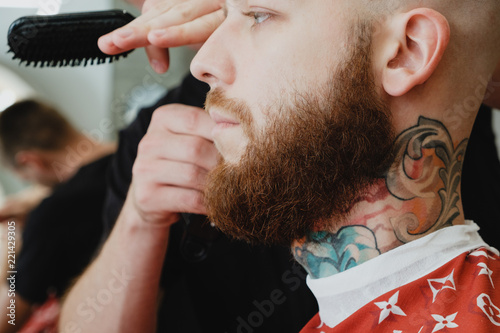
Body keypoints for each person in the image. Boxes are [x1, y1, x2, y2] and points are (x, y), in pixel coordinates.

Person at [60, 1, 500, 333]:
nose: (202, 64)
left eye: (258, 15)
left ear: (405, 52)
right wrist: (140, 218)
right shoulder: (157, 134)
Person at [0, 100, 115, 333]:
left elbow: (8, 320)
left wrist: (13, 239)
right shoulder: (134, 152)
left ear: (30, 161)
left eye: (23, 175)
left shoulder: (51, 215)